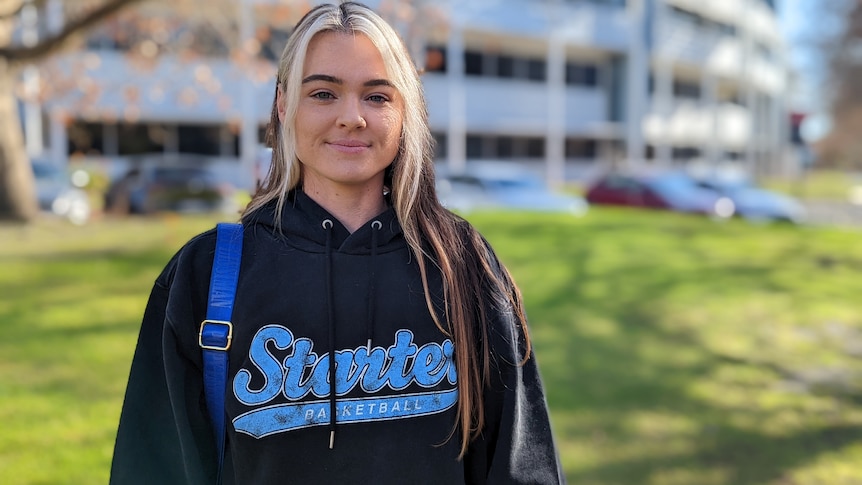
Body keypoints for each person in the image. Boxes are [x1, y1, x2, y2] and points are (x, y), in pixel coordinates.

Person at [110, 2, 564, 484]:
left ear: (404, 110)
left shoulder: (462, 263)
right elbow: (154, 468)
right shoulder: (208, 274)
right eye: (324, 93)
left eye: (377, 97)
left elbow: (521, 466)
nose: (352, 117)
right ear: (284, 105)